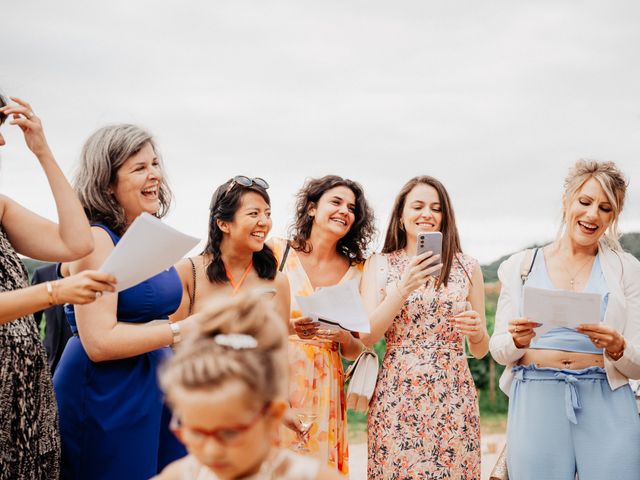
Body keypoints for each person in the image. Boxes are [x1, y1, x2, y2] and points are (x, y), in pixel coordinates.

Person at [53, 124, 200, 480]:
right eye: (139, 168)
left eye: (154, 164)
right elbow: (99, 343)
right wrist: (180, 330)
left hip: (156, 388)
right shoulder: (97, 239)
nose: (155, 175)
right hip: (108, 393)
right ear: (107, 183)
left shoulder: (147, 234)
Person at [489, 160, 640, 480]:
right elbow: (499, 350)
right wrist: (517, 340)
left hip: (607, 400)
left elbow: (637, 364)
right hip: (537, 399)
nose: (592, 215)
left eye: (605, 208)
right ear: (566, 201)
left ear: (613, 216)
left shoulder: (627, 269)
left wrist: (617, 346)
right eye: (584, 202)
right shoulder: (520, 266)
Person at [0, 95, 115, 479]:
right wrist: (55, 293)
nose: (3, 143)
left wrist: (42, 151)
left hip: (26, 403)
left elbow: (76, 242)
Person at [361, 175, 488, 479]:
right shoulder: (378, 264)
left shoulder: (468, 267)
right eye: (417, 206)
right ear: (401, 217)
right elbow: (367, 335)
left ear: (445, 217)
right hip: (397, 393)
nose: (427, 214)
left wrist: (477, 332)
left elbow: (481, 351)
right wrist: (402, 288)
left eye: (436, 208)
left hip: (454, 394)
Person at [154, 292, 343, 480]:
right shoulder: (179, 476)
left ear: (273, 415)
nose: (212, 451)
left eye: (228, 433)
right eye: (195, 433)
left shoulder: (312, 477)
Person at [269, 175, 375, 474]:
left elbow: (356, 349)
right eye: (336, 202)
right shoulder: (277, 251)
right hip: (277, 373)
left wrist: (343, 336)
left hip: (327, 381)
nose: (345, 211)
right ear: (312, 208)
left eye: (352, 208)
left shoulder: (358, 270)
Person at [172, 175, 289, 325]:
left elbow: (279, 346)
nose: (265, 222)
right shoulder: (188, 272)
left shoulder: (278, 282)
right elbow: (173, 342)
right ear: (223, 224)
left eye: (268, 214)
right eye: (254, 213)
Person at [31, 263, 74, 374]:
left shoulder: (94, 272)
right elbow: (32, 323)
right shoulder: (42, 274)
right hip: (51, 358)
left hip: (81, 358)